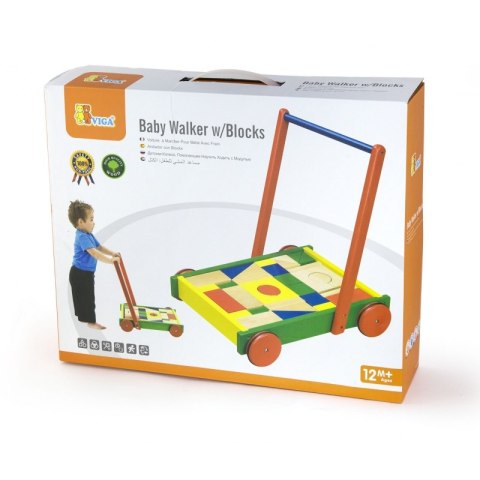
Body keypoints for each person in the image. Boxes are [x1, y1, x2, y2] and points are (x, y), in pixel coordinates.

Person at [68, 200, 119, 330]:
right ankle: (90, 323)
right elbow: (94, 253)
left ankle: (85, 319)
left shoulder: (88, 235)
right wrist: (110, 261)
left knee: (85, 297)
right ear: (80, 222)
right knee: (86, 298)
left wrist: (112, 253)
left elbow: (99, 247)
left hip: (85, 273)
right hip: (79, 273)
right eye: (91, 219)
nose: (94, 222)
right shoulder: (82, 237)